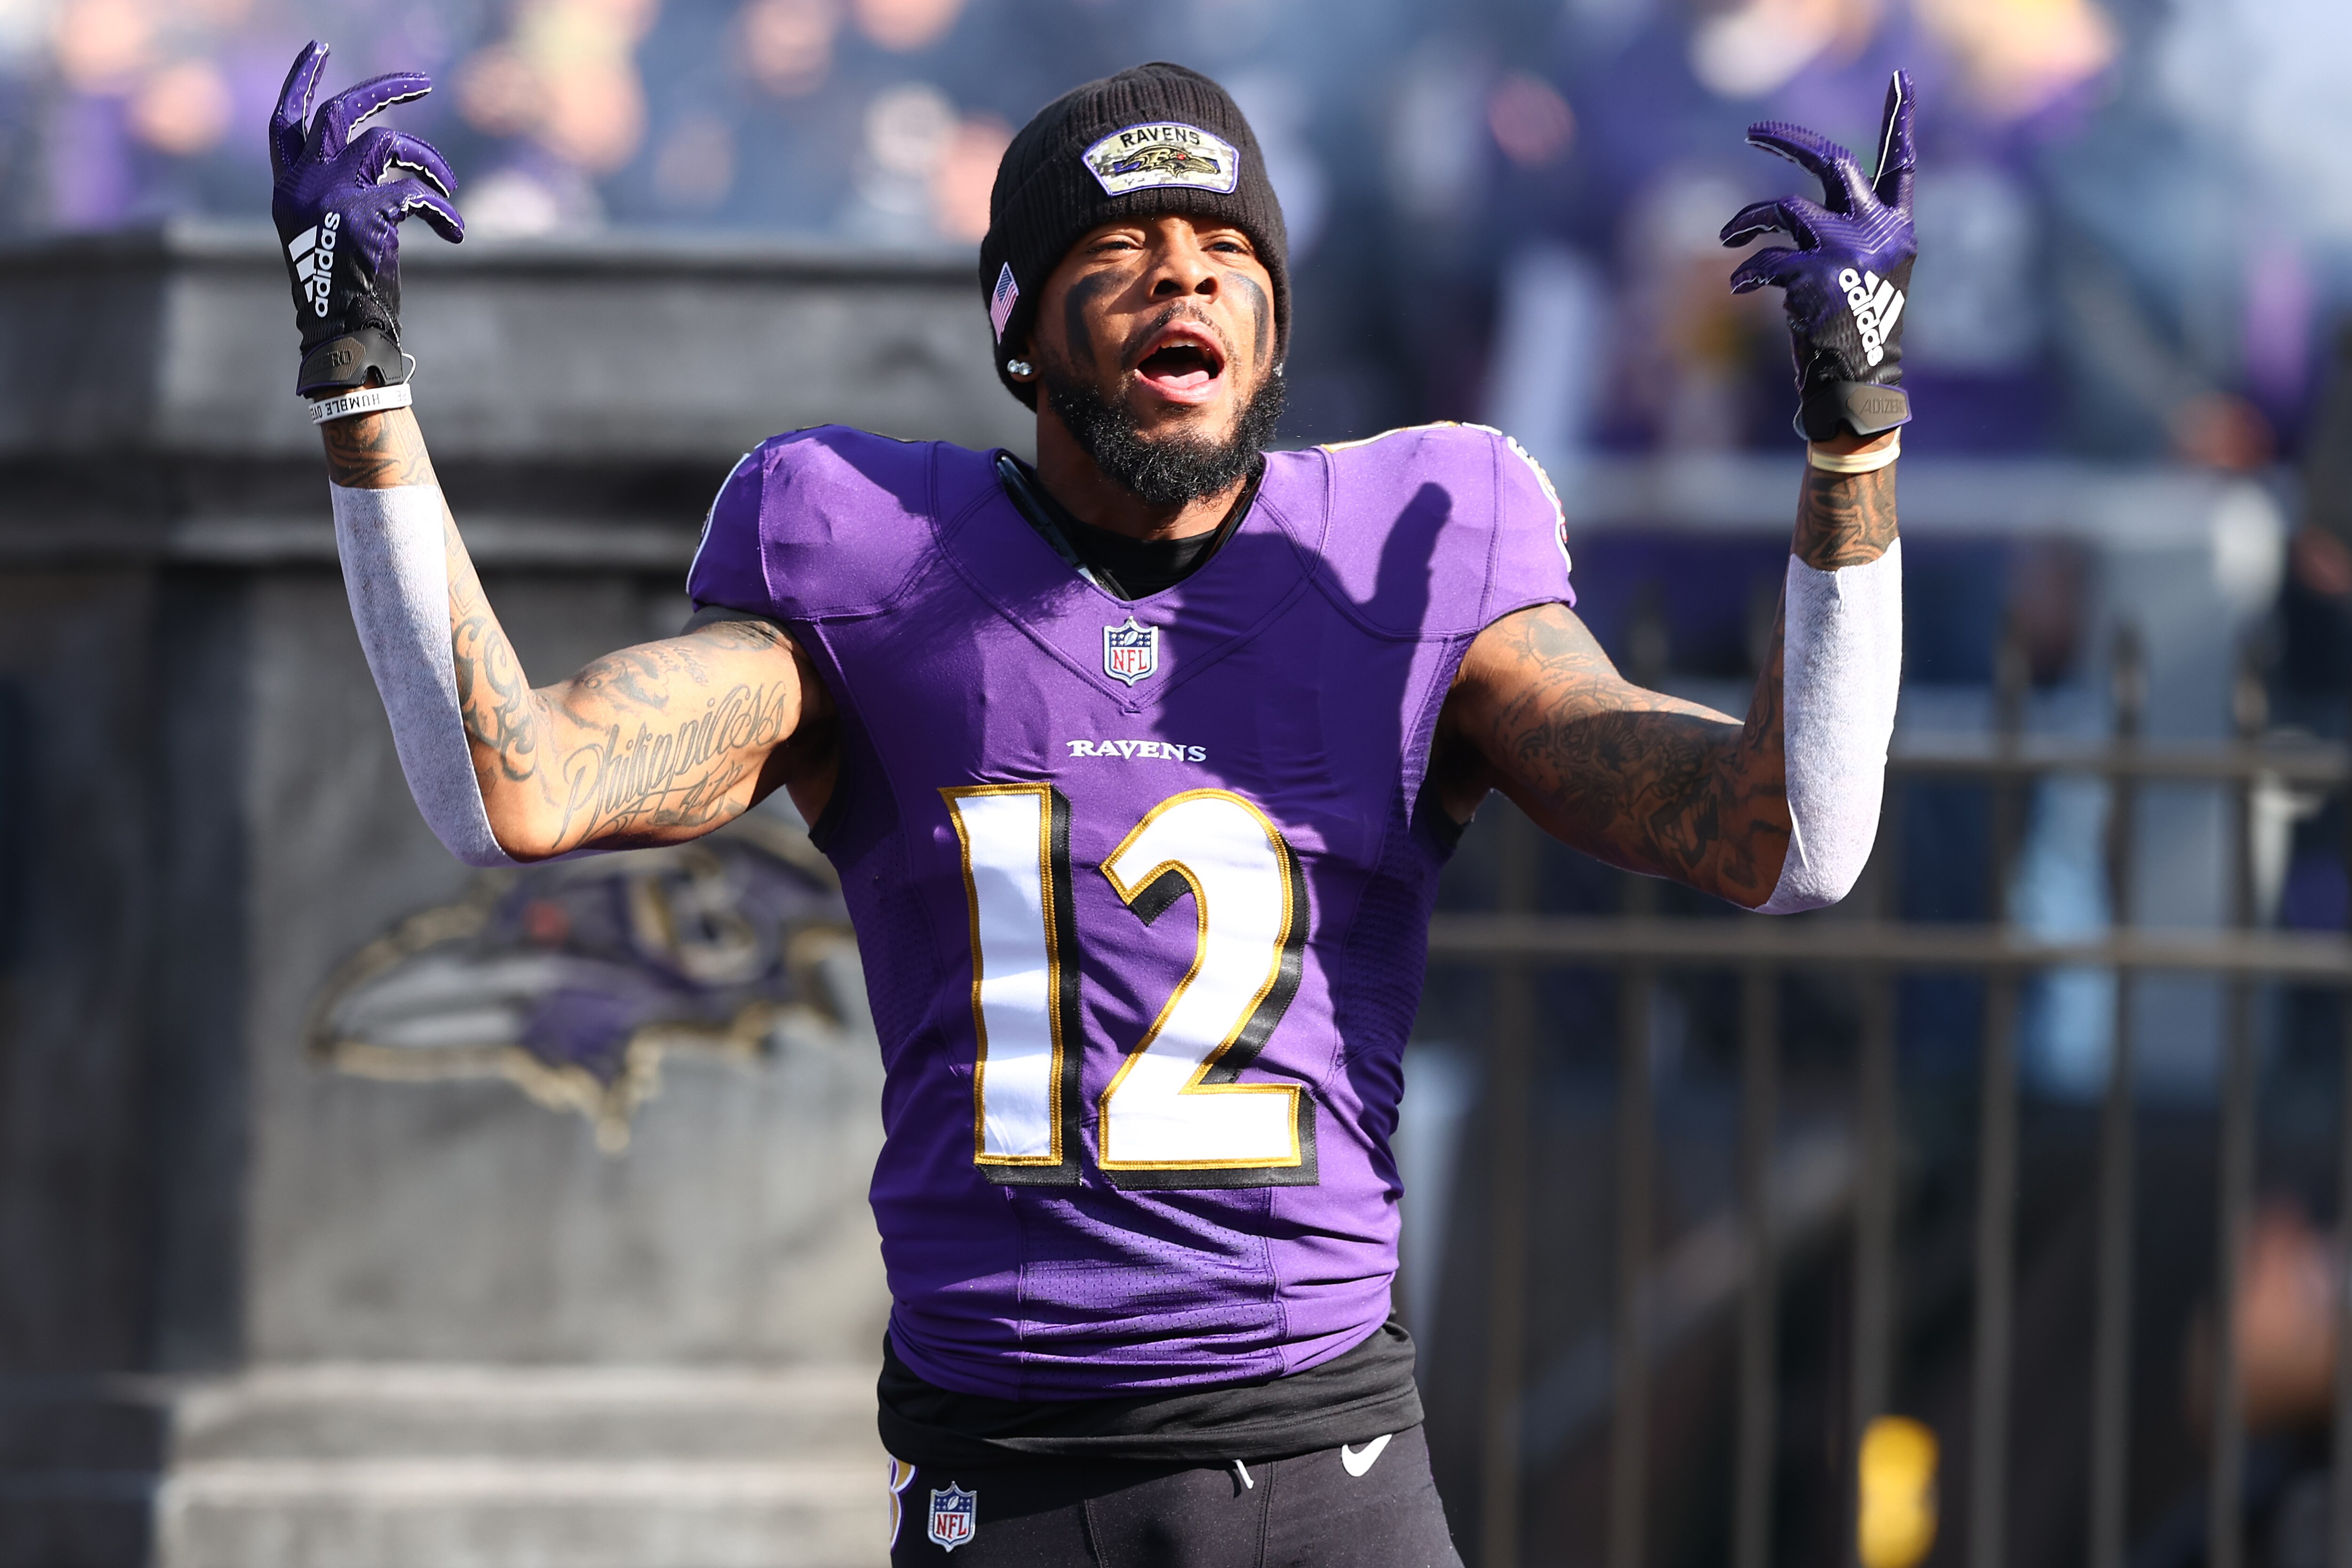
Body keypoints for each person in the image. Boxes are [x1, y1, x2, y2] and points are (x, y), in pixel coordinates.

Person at [269, 43, 1912, 1565]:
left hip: (1329, 1470)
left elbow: (1788, 841)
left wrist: (1854, 451)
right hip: (1012, 1474)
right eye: (1121, 246)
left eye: (1228, 245)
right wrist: (361, 390)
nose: (1186, 266)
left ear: (1276, 321)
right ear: (1017, 323)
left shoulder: (1421, 550)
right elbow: (519, 790)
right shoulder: (877, 566)